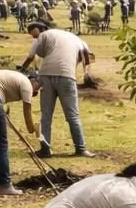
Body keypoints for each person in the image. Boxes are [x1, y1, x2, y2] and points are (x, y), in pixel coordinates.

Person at [19, 22, 94, 158]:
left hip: (45, 75)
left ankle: (45, 150)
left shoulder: (44, 35)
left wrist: (21, 70)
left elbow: (31, 56)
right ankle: (81, 148)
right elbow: (87, 61)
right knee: (72, 116)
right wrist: (87, 75)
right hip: (66, 76)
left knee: (46, 116)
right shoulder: (79, 41)